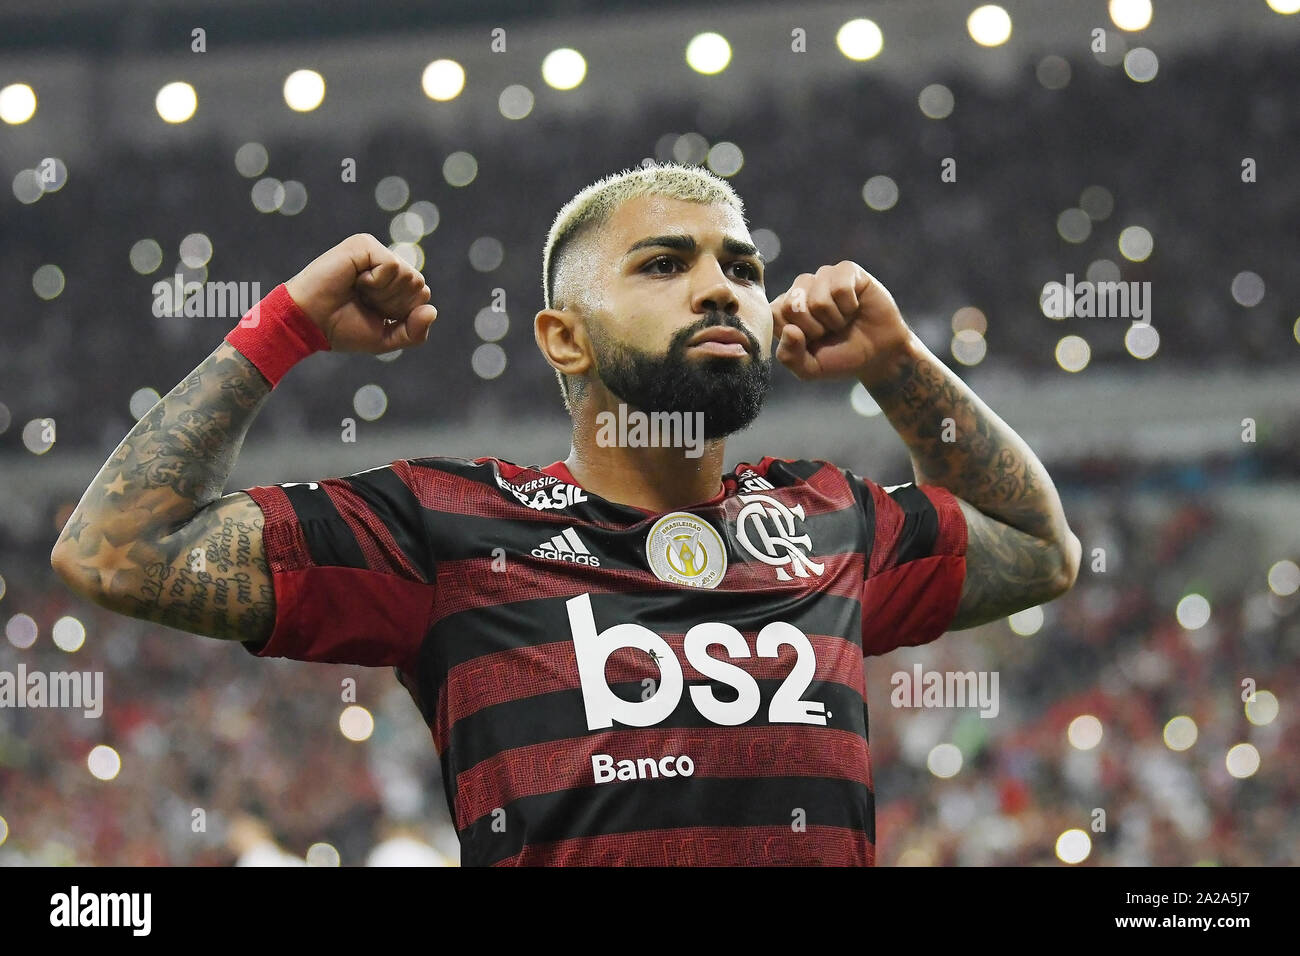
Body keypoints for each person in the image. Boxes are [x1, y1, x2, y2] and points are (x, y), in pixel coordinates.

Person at [51, 163, 1080, 866]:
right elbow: (118, 550)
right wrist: (282, 329)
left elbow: (1039, 551)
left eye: (742, 267)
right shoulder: (444, 527)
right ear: (564, 338)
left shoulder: (828, 516)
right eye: (665, 264)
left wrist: (901, 367)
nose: (721, 289)